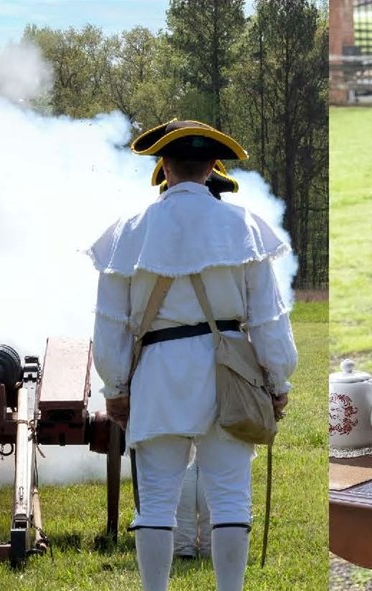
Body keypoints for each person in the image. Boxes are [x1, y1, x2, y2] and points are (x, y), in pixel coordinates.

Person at [89, 119, 297, 591]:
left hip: (157, 375)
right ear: (211, 167)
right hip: (230, 373)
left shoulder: (128, 230)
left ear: (164, 166)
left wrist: (115, 388)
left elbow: (111, 324)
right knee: (230, 498)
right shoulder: (242, 225)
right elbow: (268, 319)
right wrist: (277, 381)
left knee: (156, 502)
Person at [151, 157, 243, 561]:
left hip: (162, 365)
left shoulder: (152, 231)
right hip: (226, 362)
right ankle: (202, 543)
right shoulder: (233, 232)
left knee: (179, 465)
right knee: (218, 469)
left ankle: (185, 543)